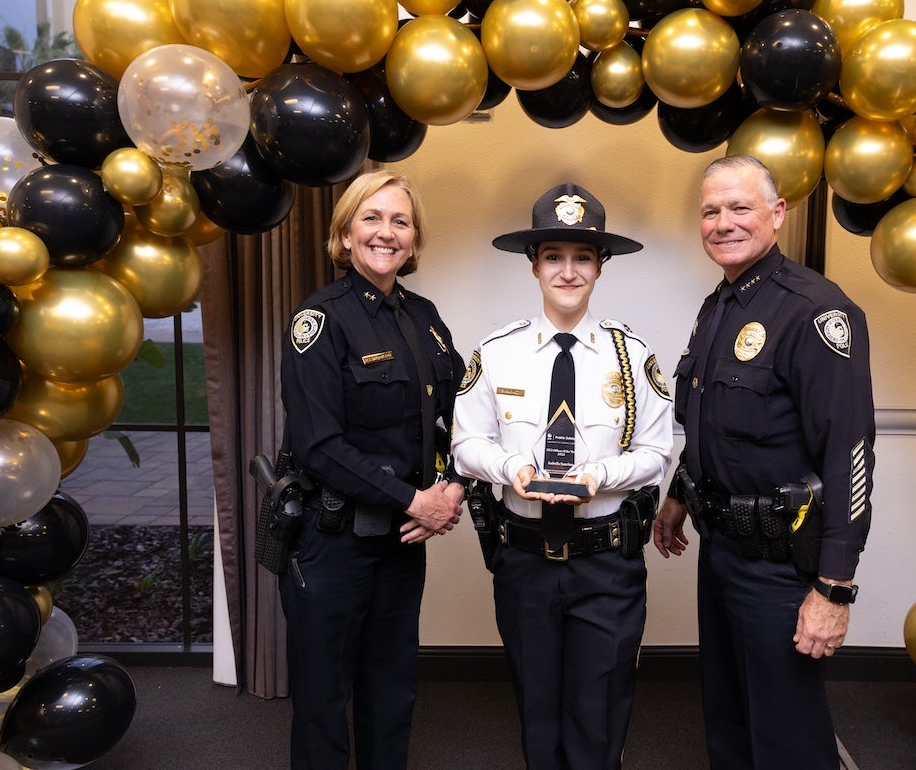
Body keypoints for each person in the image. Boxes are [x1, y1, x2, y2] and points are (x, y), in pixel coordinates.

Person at [653, 154, 875, 768]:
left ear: (777, 213)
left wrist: (834, 588)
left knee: (786, 735)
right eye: (710, 211)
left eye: (739, 207)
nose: (723, 223)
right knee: (727, 717)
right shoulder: (717, 307)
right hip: (720, 547)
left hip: (781, 564)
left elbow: (849, 456)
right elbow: (708, 425)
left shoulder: (815, 312)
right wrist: (679, 494)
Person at [452, 182, 674, 770]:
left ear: (601, 267)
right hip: (523, 559)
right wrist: (510, 467)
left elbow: (655, 453)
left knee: (597, 710)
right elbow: (464, 444)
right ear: (533, 264)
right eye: (554, 256)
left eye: (582, 258)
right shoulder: (496, 353)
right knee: (538, 706)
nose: (568, 271)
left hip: (605, 560)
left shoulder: (632, 356)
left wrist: (602, 474)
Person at [277, 169, 464, 770]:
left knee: (392, 689)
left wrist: (454, 485)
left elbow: (462, 413)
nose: (387, 232)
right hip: (331, 542)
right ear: (345, 233)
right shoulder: (320, 321)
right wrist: (415, 500)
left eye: (400, 221)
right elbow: (318, 446)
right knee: (324, 701)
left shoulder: (425, 316)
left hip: (401, 543)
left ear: (413, 239)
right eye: (372, 218)